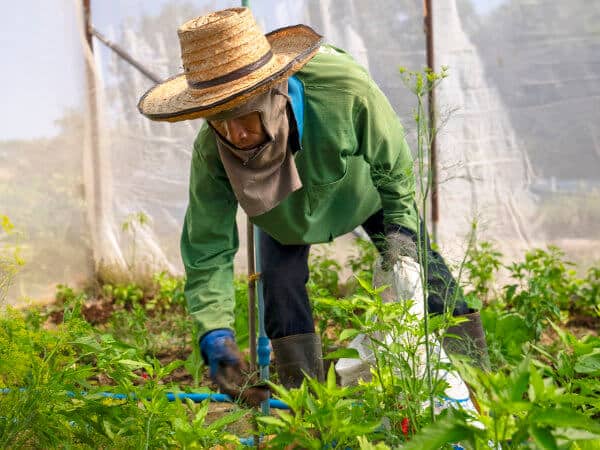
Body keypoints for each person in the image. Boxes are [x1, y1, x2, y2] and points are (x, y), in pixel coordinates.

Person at [138, 7, 488, 403]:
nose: (234, 133)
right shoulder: (213, 151)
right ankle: (305, 410)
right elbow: (208, 245)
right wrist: (214, 331)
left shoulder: (343, 87)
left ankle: (478, 387)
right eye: (217, 119)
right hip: (283, 217)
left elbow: (395, 169)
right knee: (281, 290)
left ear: (273, 89)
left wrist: (402, 244)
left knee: (426, 272)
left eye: (242, 115)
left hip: (361, 191)